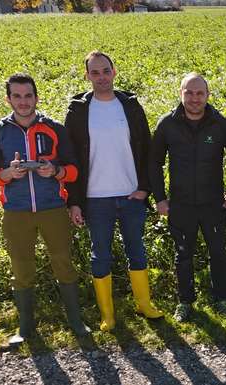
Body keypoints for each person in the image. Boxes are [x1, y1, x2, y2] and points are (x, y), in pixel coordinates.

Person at [0, 73, 90, 346]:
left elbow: (75, 171)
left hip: (53, 208)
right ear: (8, 100)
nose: (23, 101)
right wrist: (6, 174)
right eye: (16, 96)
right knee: (21, 268)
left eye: (28, 95)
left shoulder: (54, 128)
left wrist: (55, 171)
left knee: (63, 263)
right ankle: (26, 328)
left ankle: (76, 322)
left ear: (36, 98)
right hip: (16, 212)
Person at [65, 51, 162, 332]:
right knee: (100, 255)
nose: (101, 77)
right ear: (87, 76)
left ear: (114, 72)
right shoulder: (78, 110)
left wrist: (145, 188)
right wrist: (74, 202)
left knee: (137, 251)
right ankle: (108, 315)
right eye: (95, 73)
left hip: (131, 194)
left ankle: (144, 304)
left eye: (105, 71)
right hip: (95, 198)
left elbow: (147, 148)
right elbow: (71, 157)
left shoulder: (130, 106)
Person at [149, 73, 226, 322]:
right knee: (183, 255)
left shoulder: (220, 124)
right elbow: (154, 162)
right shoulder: (167, 124)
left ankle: (221, 298)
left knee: (218, 252)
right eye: (189, 92)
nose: (194, 98)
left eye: (200, 93)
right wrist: (160, 198)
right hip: (181, 204)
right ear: (181, 94)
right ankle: (185, 301)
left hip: (213, 204)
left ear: (207, 95)